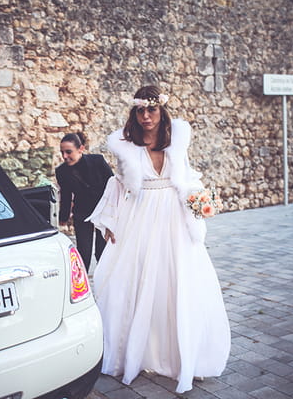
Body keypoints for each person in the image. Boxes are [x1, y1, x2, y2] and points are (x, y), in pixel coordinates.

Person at [87, 85, 230, 393]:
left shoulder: (177, 141)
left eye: (152, 109)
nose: (146, 116)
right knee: (135, 281)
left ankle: (184, 359)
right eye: (140, 110)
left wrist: (200, 200)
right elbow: (118, 184)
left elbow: (188, 176)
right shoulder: (125, 147)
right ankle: (134, 354)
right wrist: (110, 220)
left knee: (177, 283)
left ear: (161, 111)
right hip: (140, 217)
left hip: (175, 219)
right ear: (134, 113)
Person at [55, 132, 113, 271]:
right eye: (62, 152)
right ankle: (83, 286)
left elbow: (113, 185)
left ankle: (104, 286)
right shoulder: (61, 171)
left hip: (104, 212)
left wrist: (115, 210)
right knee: (83, 254)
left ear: (80, 149)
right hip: (82, 213)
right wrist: (63, 217)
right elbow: (66, 195)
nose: (64, 156)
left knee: (103, 253)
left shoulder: (97, 161)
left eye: (68, 152)